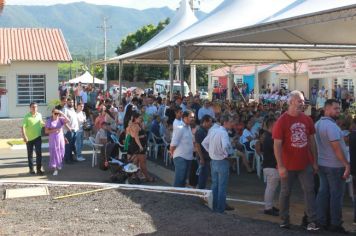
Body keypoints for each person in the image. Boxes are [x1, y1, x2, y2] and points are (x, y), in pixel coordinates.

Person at [273, 90, 319, 231]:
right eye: (300, 101)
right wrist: (280, 166)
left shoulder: (307, 119)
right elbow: (277, 145)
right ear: (291, 102)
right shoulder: (282, 121)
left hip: (305, 164)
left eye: (303, 101)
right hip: (288, 165)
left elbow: (312, 142)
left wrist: (315, 161)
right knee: (286, 192)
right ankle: (285, 220)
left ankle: (311, 221)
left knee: (309, 191)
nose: (302, 103)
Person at [315, 99, 350, 233]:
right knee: (336, 195)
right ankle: (335, 224)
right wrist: (346, 164)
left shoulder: (318, 124)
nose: (338, 111)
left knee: (323, 193)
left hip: (323, 163)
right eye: (335, 108)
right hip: (334, 166)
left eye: (338, 108)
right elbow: (336, 148)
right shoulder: (331, 126)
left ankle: (322, 221)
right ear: (327, 109)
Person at [202, 115, 234, 213]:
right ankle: (220, 209)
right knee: (221, 186)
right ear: (225, 122)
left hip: (214, 161)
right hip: (221, 161)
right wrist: (226, 154)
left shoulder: (214, 131)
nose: (232, 124)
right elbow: (225, 147)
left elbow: (204, 143)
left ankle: (213, 207)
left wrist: (211, 152)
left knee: (215, 185)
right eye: (230, 122)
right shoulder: (223, 133)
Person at [170, 110, 195, 187]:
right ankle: (176, 196)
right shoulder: (180, 128)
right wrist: (172, 154)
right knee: (180, 179)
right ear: (185, 118)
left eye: (193, 117)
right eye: (191, 117)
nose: (193, 119)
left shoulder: (188, 127)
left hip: (188, 157)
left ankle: (181, 196)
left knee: (184, 179)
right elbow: (173, 144)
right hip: (180, 157)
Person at [127, 112, 154, 182]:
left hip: (134, 145)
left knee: (135, 163)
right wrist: (140, 146)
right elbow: (135, 137)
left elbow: (130, 135)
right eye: (139, 118)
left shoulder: (132, 125)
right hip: (138, 146)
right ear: (136, 118)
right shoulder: (135, 126)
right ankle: (147, 177)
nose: (141, 119)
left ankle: (134, 176)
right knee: (142, 162)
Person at [261, 117, 280, 216]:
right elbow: (275, 152)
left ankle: (269, 206)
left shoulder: (268, 137)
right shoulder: (270, 138)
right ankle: (268, 208)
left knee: (271, 188)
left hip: (269, 165)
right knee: (271, 188)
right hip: (271, 166)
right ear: (272, 125)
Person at [21, 102, 45, 175]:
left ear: (37, 107)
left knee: (39, 154)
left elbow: (41, 123)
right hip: (29, 139)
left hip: (38, 137)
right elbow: (23, 127)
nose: (34, 108)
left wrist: (47, 124)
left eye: (35, 107)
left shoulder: (39, 115)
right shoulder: (27, 116)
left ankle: (38, 169)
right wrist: (25, 136)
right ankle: (31, 169)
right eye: (33, 107)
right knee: (30, 155)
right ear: (30, 108)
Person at [45, 109, 70, 176]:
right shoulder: (49, 121)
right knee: (54, 153)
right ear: (52, 113)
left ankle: (59, 163)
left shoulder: (60, 119)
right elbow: (46, 131)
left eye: (58, 113)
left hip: (60, 138)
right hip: (53, 138)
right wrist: (54, 130)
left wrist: (62, 113)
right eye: (55, 113)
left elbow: (68, 120)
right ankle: (55, 168)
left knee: (62, 152)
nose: (56, 115)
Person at [194, 115, 213, 189]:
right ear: (205, 122)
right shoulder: (200, 131)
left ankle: (202, 189)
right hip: (203, 157)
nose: (211, 124)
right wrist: (201, 158)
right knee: (202, 175)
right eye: (210, 122)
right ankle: (201, 191)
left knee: (204, 175)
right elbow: (197, 146)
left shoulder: (205, 130)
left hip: (205, 157)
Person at [63, 97, 79, 164]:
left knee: (72, 145)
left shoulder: (72, 109)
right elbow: (63, 121)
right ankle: (68, 160)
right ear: (67, 102)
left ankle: (71, 158)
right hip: (68, 131)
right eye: (70, 102)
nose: (71, 103)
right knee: (68, 146)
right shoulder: (65, 109)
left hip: (75, 130)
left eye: (72, 102)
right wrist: (69, 128)